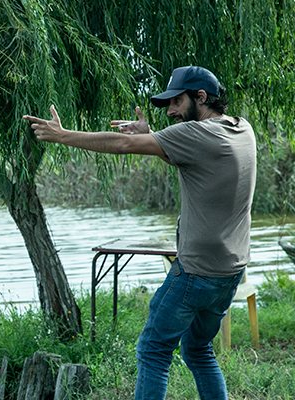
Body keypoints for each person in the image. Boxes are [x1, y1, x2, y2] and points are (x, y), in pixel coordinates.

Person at [23, 66, 256, 400]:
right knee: (198, 349)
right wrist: (155, 136)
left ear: (201, 97)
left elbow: (122, 143)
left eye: (176, 102)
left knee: (153, 350)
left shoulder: (196, 135)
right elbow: (196, 160)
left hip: (196, 271)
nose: (171, 111)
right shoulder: (240, 129)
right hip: (230, 270)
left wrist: (63, 135)